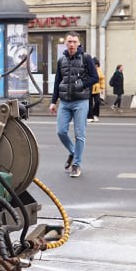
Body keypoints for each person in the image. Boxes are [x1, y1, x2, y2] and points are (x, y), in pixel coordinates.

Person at [50, 32, 98, 179]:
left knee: (79, 135)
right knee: (61, 131)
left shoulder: (86, 58)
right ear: (65, 43)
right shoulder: (61, 60)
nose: (71, 44)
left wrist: (83, 84)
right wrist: (53, 101)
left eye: (74, 42)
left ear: (78, 43)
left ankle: (76, 165)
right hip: (64, 102)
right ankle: (73, 152)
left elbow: (94, 77)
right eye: (69, 41)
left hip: (81, 101)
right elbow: (58, 81)